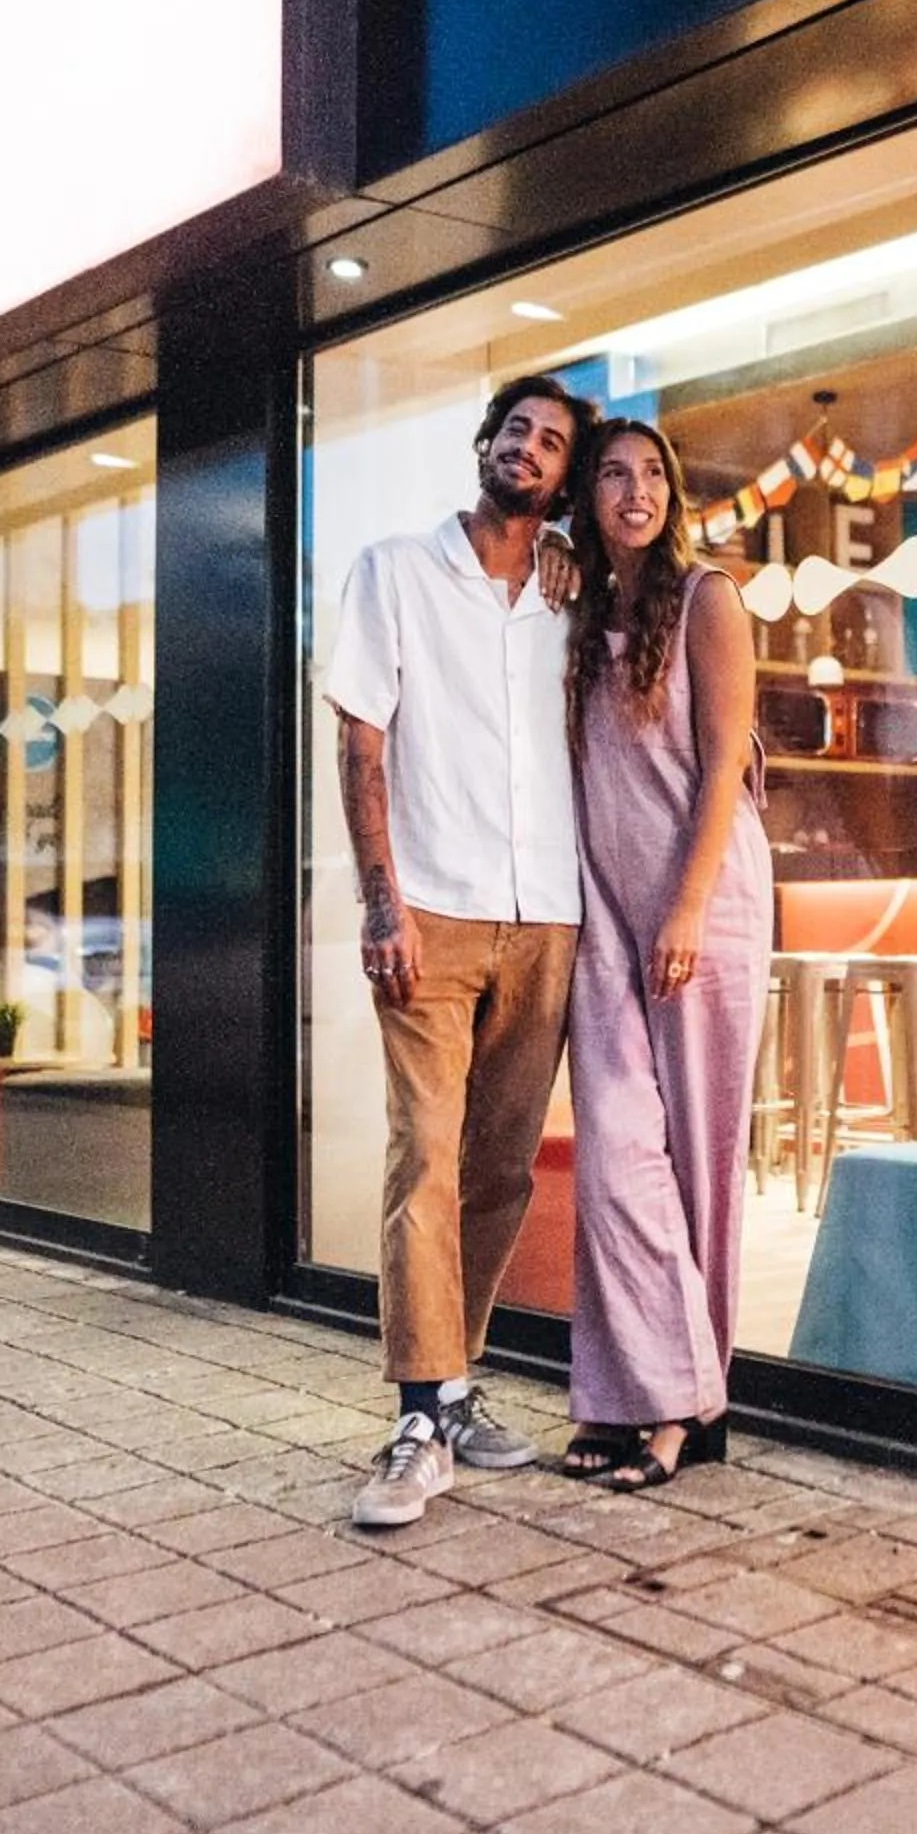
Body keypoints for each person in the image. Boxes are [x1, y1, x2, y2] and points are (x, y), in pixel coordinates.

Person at [327, 373, 599, 1528]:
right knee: (425, 1158)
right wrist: (380, 902)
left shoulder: (572, 594)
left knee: (498, 1167)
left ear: (563, 478)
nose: (528, 446)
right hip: (429, 910)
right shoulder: (394, 570)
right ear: (484, 444)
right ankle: (416, 1419)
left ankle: (454, 1381)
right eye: (515, 429)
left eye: (551, 441)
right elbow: (361, 738)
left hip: (548, 914)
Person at [558, 418, 771, 1490]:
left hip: (706, 903)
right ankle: (632, 1387)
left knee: (701, 1165)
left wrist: (684, 909)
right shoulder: (575, 612)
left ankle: (684, 1408)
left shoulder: (707, 599)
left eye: (651, 473)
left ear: (673, 493)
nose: (634, 490)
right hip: (604, 915)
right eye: (612, 474)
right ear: (588, 497)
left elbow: (726, 758)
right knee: (614, 1160)